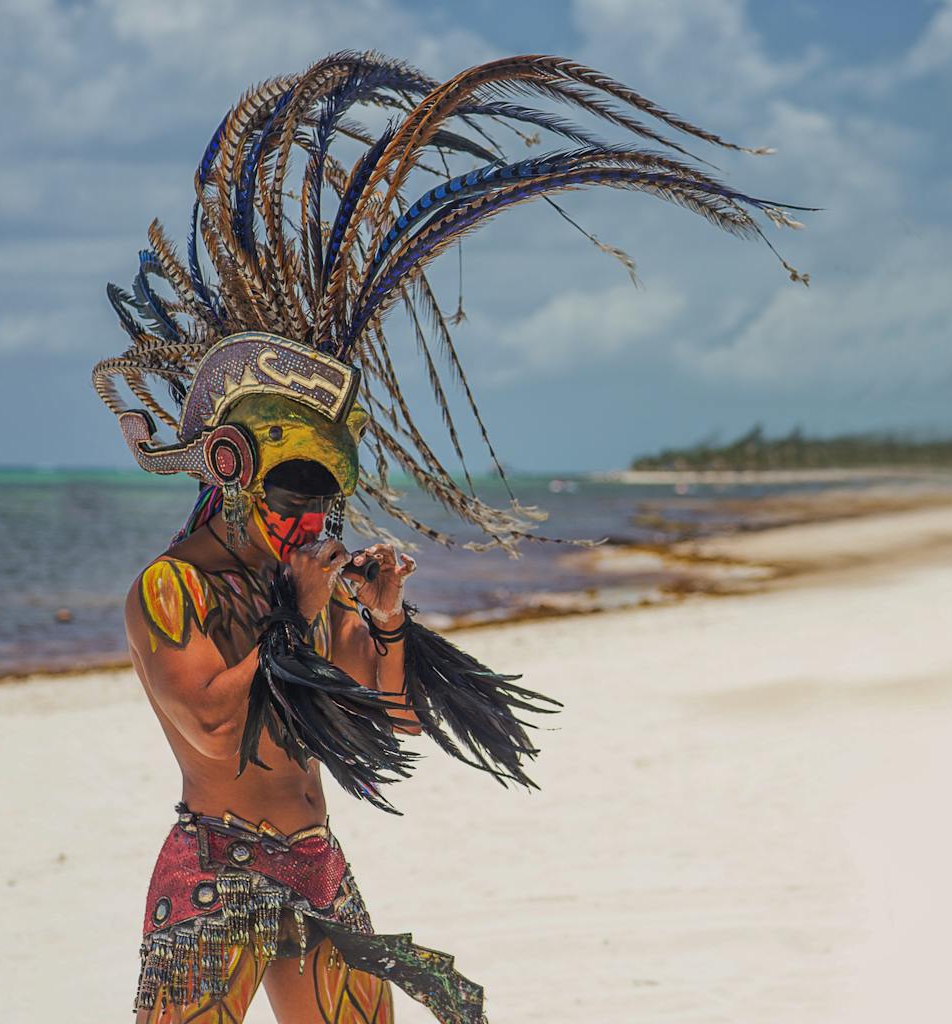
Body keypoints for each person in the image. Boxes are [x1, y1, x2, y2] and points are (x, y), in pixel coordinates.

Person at [93, 50, 807, 1024]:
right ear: (227, 466)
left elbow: (387, 719)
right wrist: (300, 610)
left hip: (314, 862)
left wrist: (380, 619)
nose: (310, 522)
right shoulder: (168, 590)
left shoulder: (309, 583)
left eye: (323, 502)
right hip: (213, 870)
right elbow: (214, 721)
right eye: (292, 494)